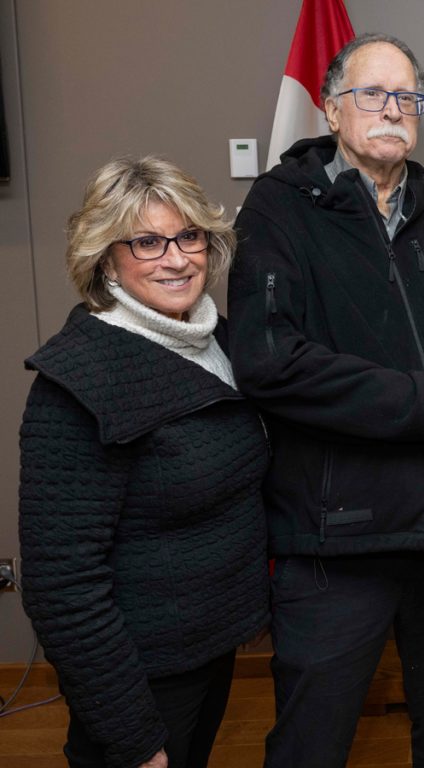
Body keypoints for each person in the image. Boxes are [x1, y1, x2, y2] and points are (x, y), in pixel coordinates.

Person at [227, 33, 424, 768]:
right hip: (335, 545)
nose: (394, 110)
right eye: (372, 94)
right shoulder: (278, 209)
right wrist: (421, 403)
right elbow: (269, 362)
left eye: (407, 97)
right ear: (330, 109)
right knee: (311, 746)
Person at [19, 156, 270, 768]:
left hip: (206, 649)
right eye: (147, 242)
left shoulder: (223, 342)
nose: (177, 258)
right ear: (106, 259)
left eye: (189, 237)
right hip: (136, 676)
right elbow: (63, 586)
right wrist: (134, 739)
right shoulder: (78, 379)